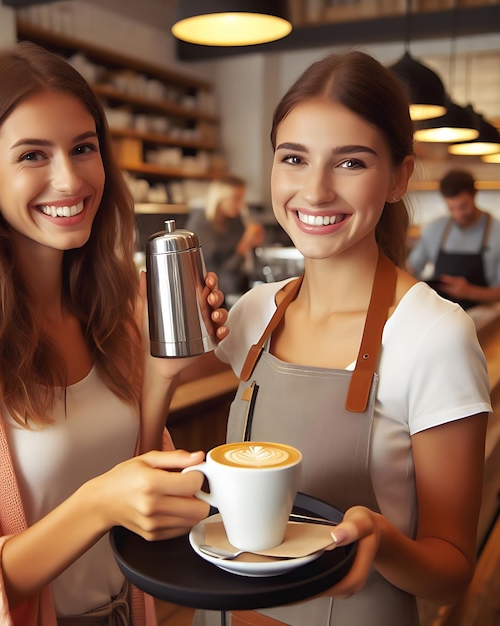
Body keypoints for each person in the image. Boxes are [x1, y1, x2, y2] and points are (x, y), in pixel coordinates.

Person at [0, 42, 227, 625]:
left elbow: (136, 496)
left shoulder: (111, 312)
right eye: (32, 156)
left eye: (83, 148)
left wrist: (160, 373)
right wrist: (97, 504)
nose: (69, 179)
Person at [185, 50, 490, 626]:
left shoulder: (434, 336)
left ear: (399, 176)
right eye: (294, 158)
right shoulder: (254, 314)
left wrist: (383, 539)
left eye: (350, 163)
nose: (316, 190)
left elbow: (452, 572)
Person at [407, 169, 500, 309]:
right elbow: (411, 269)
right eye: (452, 208)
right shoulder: (434, 228)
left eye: (464, 206)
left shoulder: (496, 232)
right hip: (439, 311)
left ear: (474, 194)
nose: (458, 214)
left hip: (482, 314)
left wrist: (469, 292)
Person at [186, 174, 264, 299]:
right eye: (236, 199)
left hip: (236, 287)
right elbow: (216, 273)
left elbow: (246, 262)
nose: (241, 205)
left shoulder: (235, 220)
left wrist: (254, 244)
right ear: (220, 198)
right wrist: (244, 246)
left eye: (242, 199)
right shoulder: (200, 224)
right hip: (211, 291)